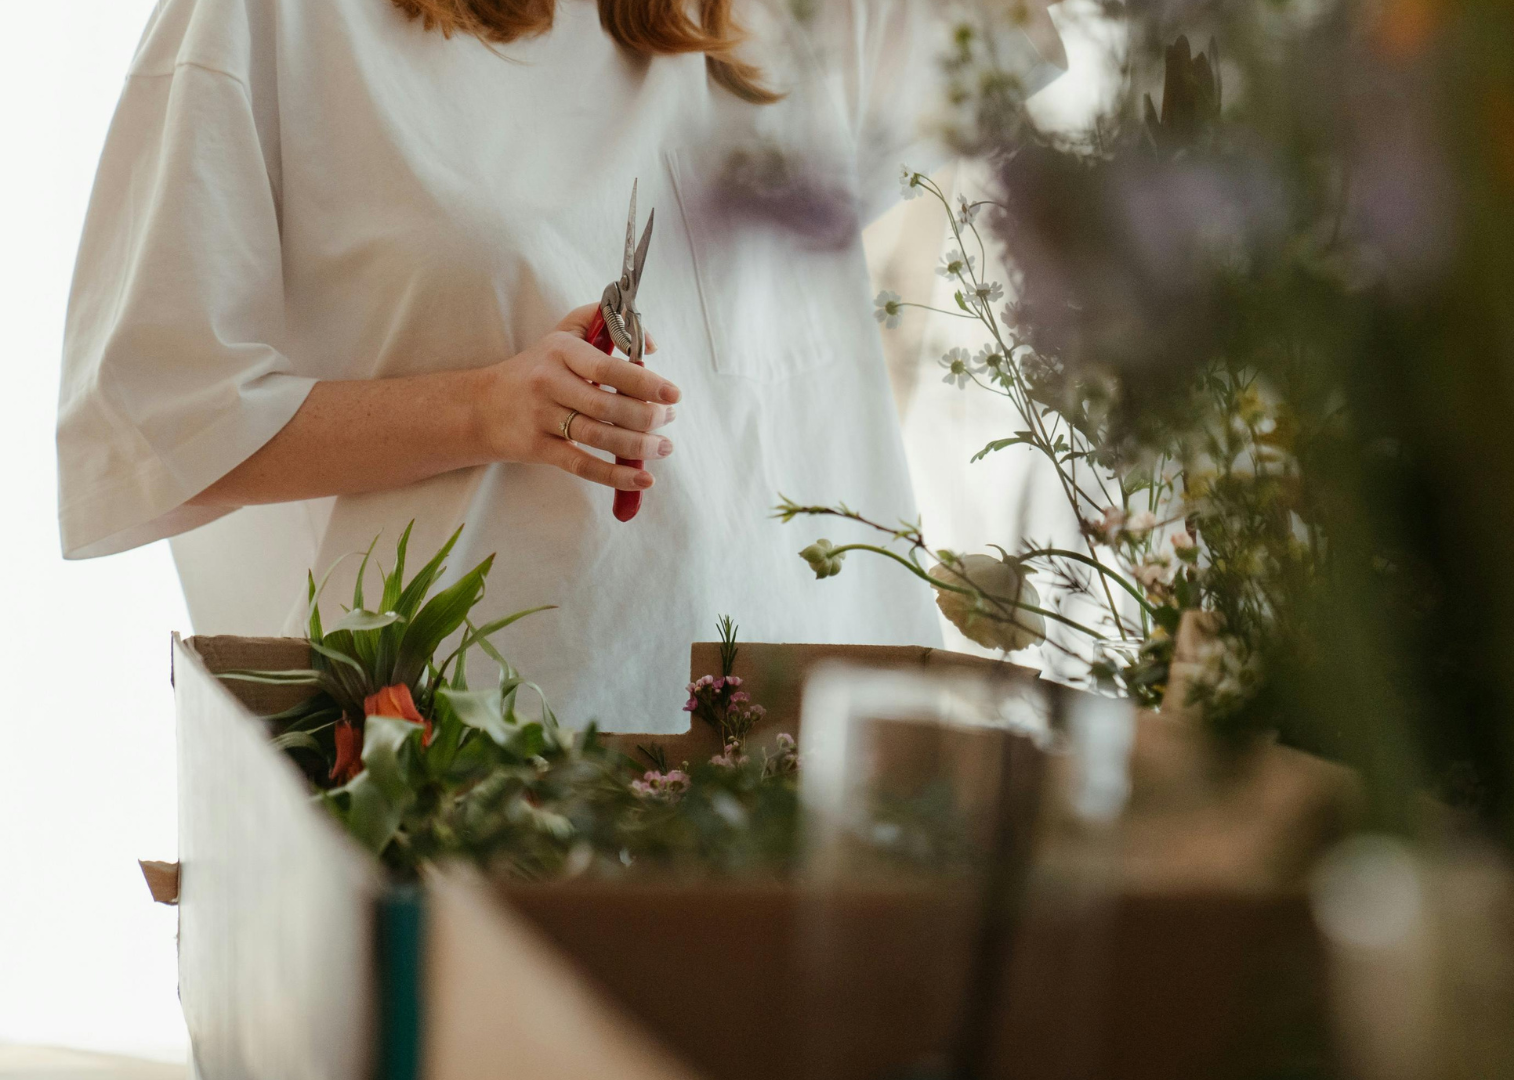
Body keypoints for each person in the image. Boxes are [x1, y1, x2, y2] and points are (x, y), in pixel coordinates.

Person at [57, 0, 1065, 729]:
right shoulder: (270, 21)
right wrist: (484, 411)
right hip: (479, 746)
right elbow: (153, 425)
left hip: (814, 744)